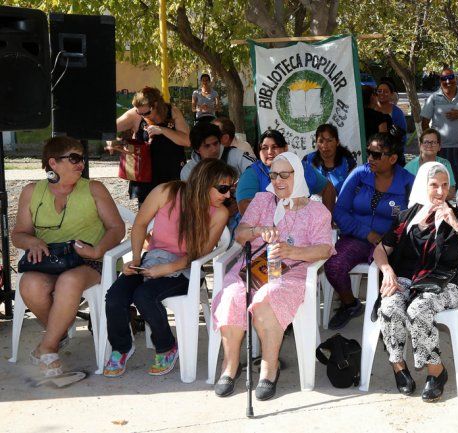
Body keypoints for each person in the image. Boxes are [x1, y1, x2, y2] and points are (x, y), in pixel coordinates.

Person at [211, 153, 334, 398]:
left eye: (284, 175)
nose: (278, 181)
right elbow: (240, 234)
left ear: (297, 176)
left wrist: (294, 251)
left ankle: (269, 368)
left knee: (269, 296)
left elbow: (324, 248)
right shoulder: (261, 201)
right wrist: (258, 230)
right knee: (233, 294)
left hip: (292, 272)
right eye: (273, 175)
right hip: (254, 267)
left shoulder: (316, 211)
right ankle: (231, 366)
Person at [103, 159, 233, 377]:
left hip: (184, 269)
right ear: (204, 183)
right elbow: (140, 225)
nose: (228, 195)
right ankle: (121, 347)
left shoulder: (220, 213)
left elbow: (199, 253)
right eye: (223, 189)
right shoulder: (166, 192)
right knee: (115, 296)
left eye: (230, 189)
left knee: (145, 295)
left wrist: (169, 267)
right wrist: (135, 259)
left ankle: (166, 346)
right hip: (151, 260)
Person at [11, 137, 125, 377]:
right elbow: (19, 234)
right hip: (51, 260)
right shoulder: (32, 191)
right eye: (73, 158)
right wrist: (33, 241)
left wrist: (97, 250)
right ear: (53, 163)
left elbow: (117, 228)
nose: (80, 163)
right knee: (30, 284)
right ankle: (59, 331)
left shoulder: (94, 188)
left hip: (91, 259)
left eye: (82, 158)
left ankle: (48, 347)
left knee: (69, 281)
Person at [374, 162, 458, 402]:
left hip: (444, 283)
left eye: (445, 186)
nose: (440, 191)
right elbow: (381, 249)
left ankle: (436, 371)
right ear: (423, 186)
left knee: (417, 309)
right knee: (390, 308)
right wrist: (387, 271)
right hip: (407, 280)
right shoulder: (408, 216)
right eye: (434, 185)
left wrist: (456, 225)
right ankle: (399, 366)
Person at [326, 134, 415, 329]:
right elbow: (339, 211)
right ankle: (350, 304)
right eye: (369, 153)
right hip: (357, 238)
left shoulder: (408, 182)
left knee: (394, 279)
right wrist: (366, 233)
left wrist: (390, 238)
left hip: (392, 244)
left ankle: (387, 314)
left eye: (376, 154)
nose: (370, 159)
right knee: (333, 266)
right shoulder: (359, 175)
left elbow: (413, 219)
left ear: (392, 158)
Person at [114, 86, 190, 205]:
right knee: (147, 218)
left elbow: (187, 141)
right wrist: (113, 141)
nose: (144, 116)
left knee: (173, 214)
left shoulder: (172, 112)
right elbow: (111, 128)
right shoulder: (136, 114)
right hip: (146, 176)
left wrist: (163, 130)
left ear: (156, 105)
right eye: (140, 112)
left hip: (171, 173)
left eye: (147, 112)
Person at [235, 129, 336, 214]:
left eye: (275, 147)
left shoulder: (302, 168)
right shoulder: (253, 173)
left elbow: (328, 189)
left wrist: (327, 220)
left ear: (285, 148)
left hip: (303, 229)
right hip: (266, 233)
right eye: (264, 148)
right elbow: (245, 207)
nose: (269, 152)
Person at [421, 67, 458, 185]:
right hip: (440, 148)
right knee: (440, 182)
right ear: (440, 80)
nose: (447, 81)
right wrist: (430, 144)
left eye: (450, 77)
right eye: (443, 78)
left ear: (455, 78)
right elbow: (424, 122)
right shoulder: (434, 98)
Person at [181, 122, 253, 181]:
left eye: (215, 143)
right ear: (197, 149)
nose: (214, 149)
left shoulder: (236, 155)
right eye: (207, 146)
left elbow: (258, 172)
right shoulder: (188, 171)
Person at [301, 124, 357, 193]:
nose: (325, 145)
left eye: (329, 140)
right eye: (321, 141)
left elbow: (354, 190)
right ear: (316, 143)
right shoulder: (307, 161)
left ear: (337, 142)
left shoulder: (348, 162)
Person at [404, 128, 456, 197]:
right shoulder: (409, 167)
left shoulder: (445, 164)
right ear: (420, 146)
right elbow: (405, 193)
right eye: (426, 142)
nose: (429, 145)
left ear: (439, 147)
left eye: (434, 142)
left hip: (439, 204)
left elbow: (451, 192)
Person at [376, 79, 407, 145]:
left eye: (386, 91)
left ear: (392, 94)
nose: (382, 93)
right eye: (379, 91)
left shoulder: (398, 113)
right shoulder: (370, 110)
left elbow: (402, 137)